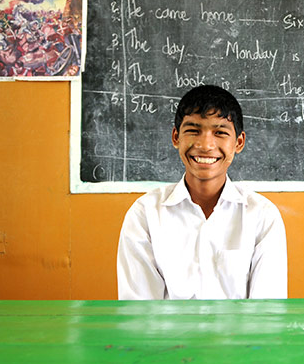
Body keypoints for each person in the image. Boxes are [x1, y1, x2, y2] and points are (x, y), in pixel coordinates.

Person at [117, 85, 288, 300]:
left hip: (240, 335)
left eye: (220, 133)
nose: (206, 145)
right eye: (193, 130)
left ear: (239, 142)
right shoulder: (145, 215)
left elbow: (266, 313)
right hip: (168, 335)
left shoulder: (262, 216)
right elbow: (140, 311)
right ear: (176, 137)